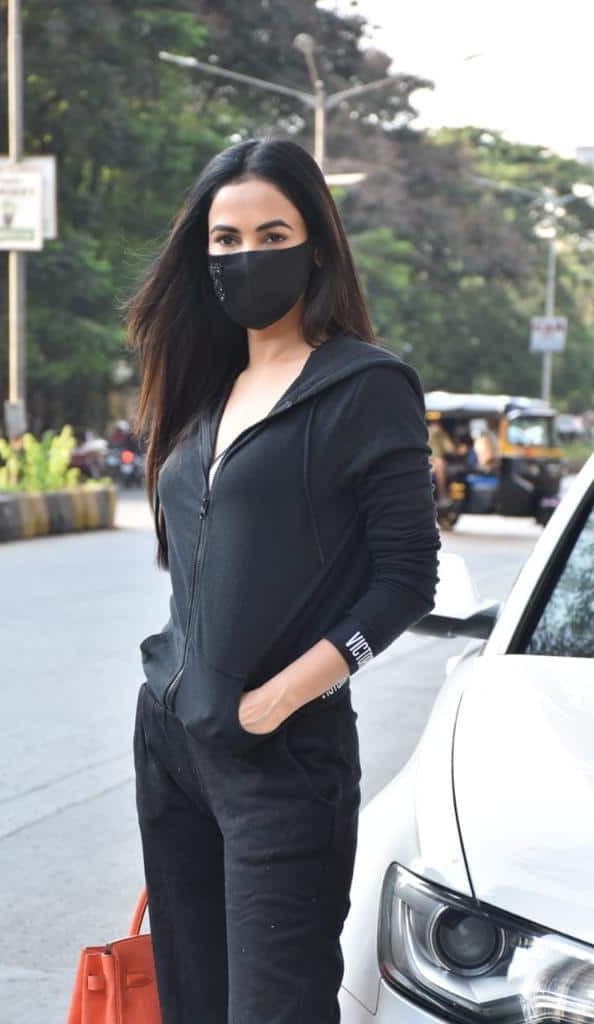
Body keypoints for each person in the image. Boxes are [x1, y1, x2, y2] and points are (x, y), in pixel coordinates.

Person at [124, 138, 441, 1024]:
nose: (243, 256)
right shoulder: (204, 383)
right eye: (224, 240)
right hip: (172, 747)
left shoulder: (366, 388)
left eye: (270, 233)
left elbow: (408, 578)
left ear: (316, 247)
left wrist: (275, 701)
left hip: (283, 760)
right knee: (191, 1007)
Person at [427, 420, 455, 506]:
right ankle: (442, 495)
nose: (435, 426)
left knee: (441, 463)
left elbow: (450, 449)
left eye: (436, 423)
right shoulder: (424, 432)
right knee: (440, 464)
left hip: (437, 462)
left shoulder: (442, 433)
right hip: (426, 462)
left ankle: (444, 496)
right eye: (433, 423)